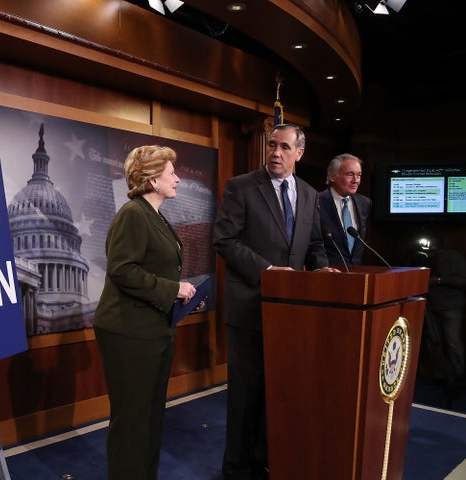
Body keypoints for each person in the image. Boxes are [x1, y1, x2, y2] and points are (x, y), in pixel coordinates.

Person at [213, 124, 339, 480]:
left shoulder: (310, 194)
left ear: (299, 153)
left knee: (279, 393)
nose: (275, 153)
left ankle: (266, 461)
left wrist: (321, 269)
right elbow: (225, 241)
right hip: (250, 308)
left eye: (284, 147)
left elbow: (313, 245)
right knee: (246, 396)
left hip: (291, 312)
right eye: (272, 145)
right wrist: (268, 270)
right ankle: (236, 469)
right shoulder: (241, 187)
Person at [93, 145, 198, 480]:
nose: (178, 179)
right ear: (153, 180)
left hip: (154, 330)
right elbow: (122, 270)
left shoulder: (155, 215)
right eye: (171, 173)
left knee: (151, 418)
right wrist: (173, 289)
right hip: (128, 334)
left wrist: (179, 290)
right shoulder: (132, 214)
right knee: (132, 422)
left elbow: (152, 267)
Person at [423, 233, 466, 406]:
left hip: (451, 307)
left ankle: (459, 378)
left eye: (430, 244)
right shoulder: (423, 258)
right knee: (433, 342)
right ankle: (443, 376)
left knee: (452, 343)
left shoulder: (454, 257)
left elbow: (463, 280)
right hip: (431, 306)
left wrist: (439, 280)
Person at [318, 153, 372, 266]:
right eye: (349, 174)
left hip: (356, 273)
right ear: (332, 176)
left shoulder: (364, 203)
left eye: (358, 175)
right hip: (327, 273)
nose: (355, 180)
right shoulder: (316, 202)